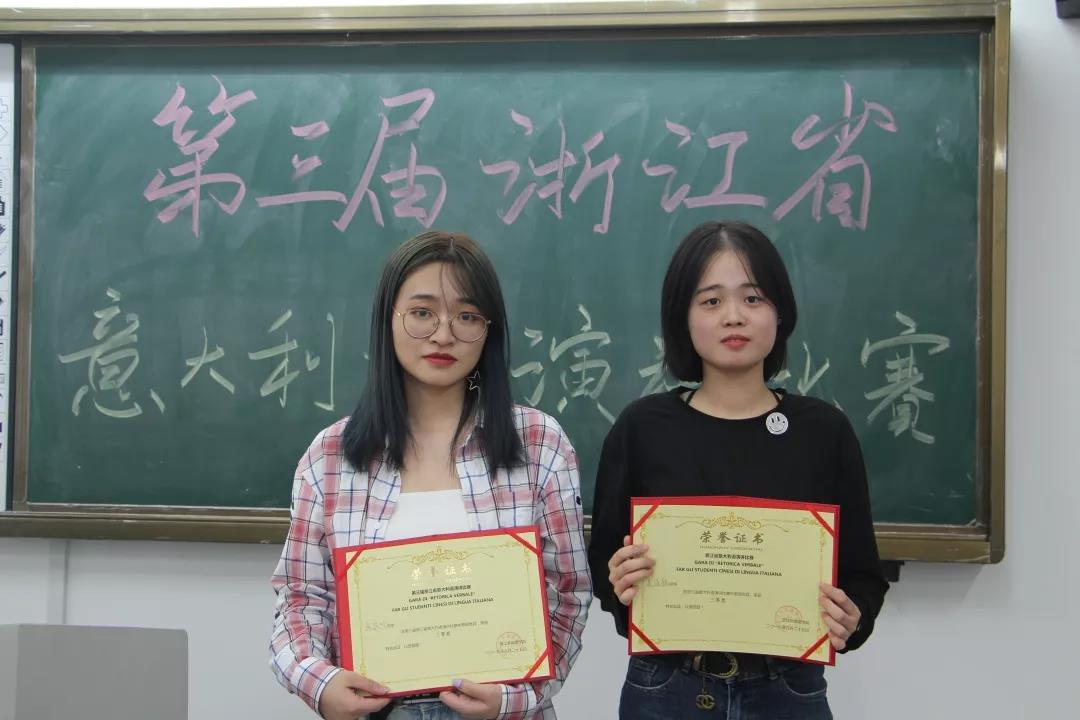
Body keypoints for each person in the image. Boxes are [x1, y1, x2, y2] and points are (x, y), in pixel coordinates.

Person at [271, 231, 590, 720]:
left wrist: (518, 698)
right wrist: (320, 682)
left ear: (488, 331)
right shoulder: (329, 456)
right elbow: (300, 597)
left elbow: (568, 592)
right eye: (422, 313)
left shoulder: (540, 444)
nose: (444, 334)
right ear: (388, 319)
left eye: (467, 316)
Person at [587, 220, 888, 719]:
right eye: (711, 301)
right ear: (683, 317)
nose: (733, 316)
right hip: (666, 686)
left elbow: (863, 574)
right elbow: (603, 559)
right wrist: (619, 579)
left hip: (788, 689)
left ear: (780, 312)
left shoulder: (823, 431)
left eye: (752, 298)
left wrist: (852, 617)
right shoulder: (642, 427)